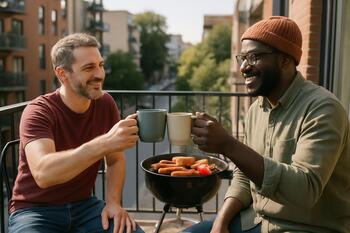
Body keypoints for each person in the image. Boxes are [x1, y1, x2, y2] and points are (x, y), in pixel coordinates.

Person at [184, 16, 350, 233]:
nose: (244, 67)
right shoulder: (256, 109)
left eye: (254, 57)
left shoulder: (322, 109)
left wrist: (228, 145)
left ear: (285, 60)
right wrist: (220, 222)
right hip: (258, 221)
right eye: (242, 57)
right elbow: (244, 174)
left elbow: (305, 190)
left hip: (305, 227)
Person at [8, 33, 145, 233]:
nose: (100, 74)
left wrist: (114, 202)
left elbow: (115, 160)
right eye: (89, 68)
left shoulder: (105, 104)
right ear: (62, 73)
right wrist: (105, 142)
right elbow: (43, 174)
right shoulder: (39, 111)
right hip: (34, 211)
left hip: (85, 207)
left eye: (101, 65)